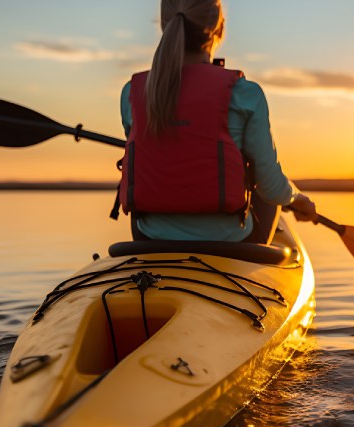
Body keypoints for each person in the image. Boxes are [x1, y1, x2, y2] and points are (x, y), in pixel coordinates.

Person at [118, 0, 317, 244]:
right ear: (219, 28)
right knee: (262, 184)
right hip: (233, 241)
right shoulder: (245, 94)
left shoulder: (131, 93)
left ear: (163, 25)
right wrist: (297, 199)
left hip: (148, 237)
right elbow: (271, 188)